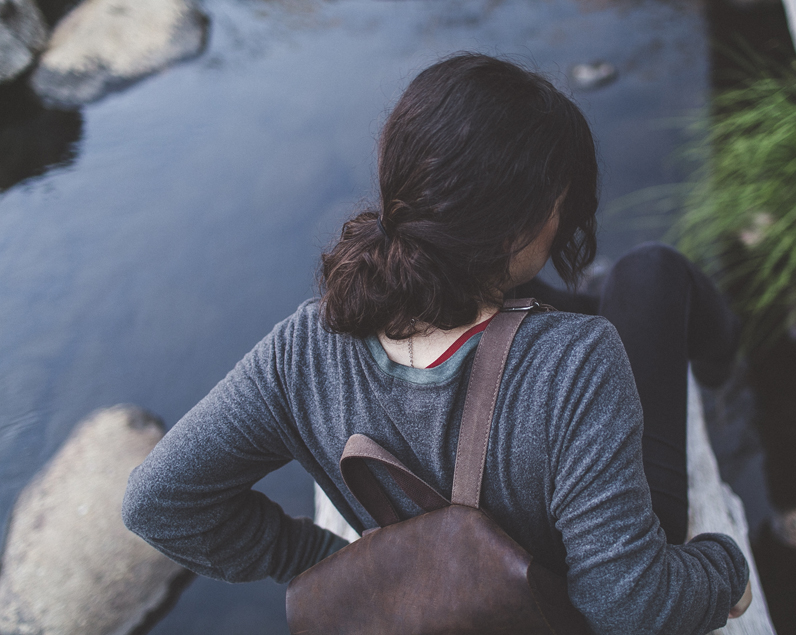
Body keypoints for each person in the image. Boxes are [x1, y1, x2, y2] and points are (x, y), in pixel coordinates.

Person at [122, 53, 752, 634]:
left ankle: (588, 304)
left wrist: (325, 559)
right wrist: (725, 565)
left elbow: (158, 502)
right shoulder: (578, 361)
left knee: (587, 294)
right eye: (560, 205)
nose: (562, 220)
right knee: (651, 272)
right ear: (523, 227)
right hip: (573, 589)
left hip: (439, 596)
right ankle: (724, 368)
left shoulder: (300, 351)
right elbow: (629, 604)